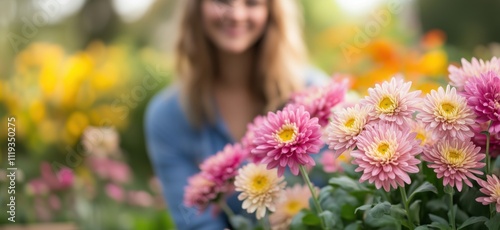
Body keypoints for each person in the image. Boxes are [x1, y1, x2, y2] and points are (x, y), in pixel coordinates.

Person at [144, 0, 328, 229]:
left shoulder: (315, 95)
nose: (236, 14)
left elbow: (332, 191)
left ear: (271, 11)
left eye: (252, 3)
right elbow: (195, 223)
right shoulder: (167, 116)